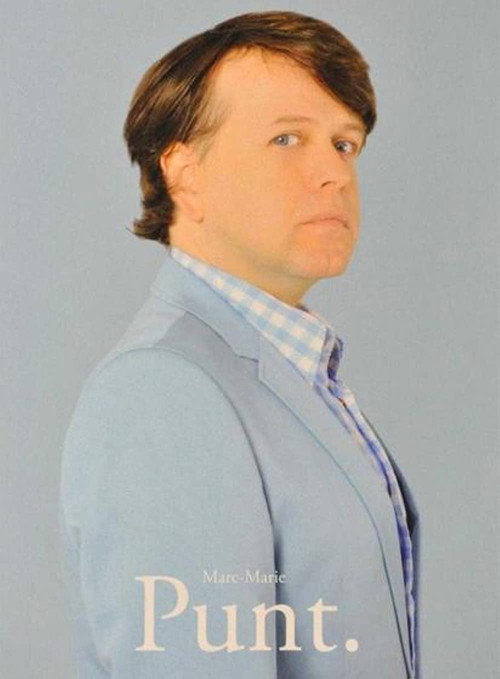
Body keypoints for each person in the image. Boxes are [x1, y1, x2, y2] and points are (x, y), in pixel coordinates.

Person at [59, 10, 420, 678]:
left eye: (345, 144)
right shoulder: (163, 394)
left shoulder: (289, 370)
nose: (335, 173)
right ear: (184, 174)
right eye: (287, 138)